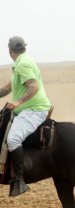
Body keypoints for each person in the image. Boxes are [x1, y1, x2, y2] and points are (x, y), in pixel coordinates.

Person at [0, 36, 52, 197]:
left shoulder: (22, 64)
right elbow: (8, 88)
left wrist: (18, 102)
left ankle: (18, 180)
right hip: (26, 109)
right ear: (24, 48)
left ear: (9, 50)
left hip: (34, 110)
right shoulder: (21, 63)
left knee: (13, 139)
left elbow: (33, 87)